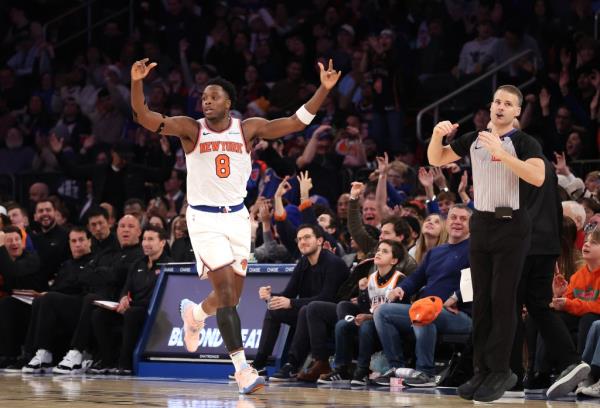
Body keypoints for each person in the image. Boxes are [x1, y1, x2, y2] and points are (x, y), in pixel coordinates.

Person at [130, 57, 341, 394]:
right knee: (228, 295)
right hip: (204, 218)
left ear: (228, 102)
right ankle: (243, 370)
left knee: (231, 296)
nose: (206, 101)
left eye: (213, 97)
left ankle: (196, 315)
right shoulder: (190, 128)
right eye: (203, 98)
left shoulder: (247, 128)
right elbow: (144, 116)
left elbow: (295, 123)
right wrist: (137, 82)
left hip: (237, 218)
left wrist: (324, 89)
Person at [428, 84, 548, 402]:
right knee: (480, 299)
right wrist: (437, 136)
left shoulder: (524, 142)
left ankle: (501, 370)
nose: (500, 107)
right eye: (496, 101)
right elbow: (436, 158)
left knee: (502, 298)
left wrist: (503, 155)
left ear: (517, 112)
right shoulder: (474, 139)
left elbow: (538, 177)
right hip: (480, 222)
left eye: (507, 103)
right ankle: (481, 368)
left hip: (511, 223)